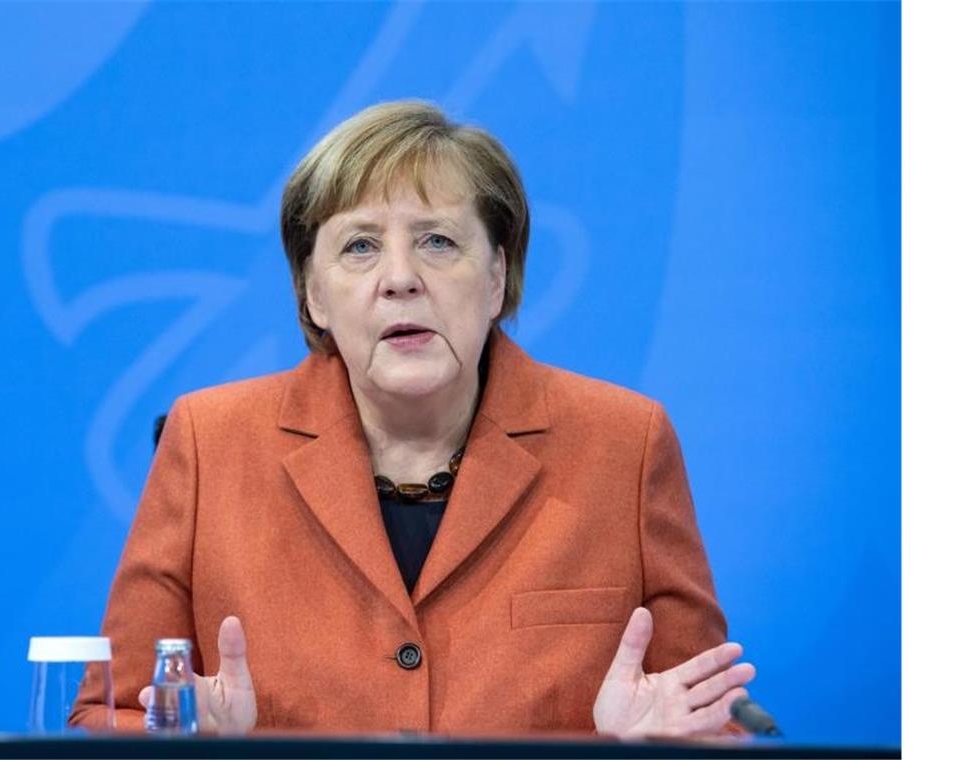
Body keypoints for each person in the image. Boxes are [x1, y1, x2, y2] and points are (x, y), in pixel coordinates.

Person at [71, 100, 755, 736]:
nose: (399, 277)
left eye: (437, 242)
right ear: (313, 293)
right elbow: (107, 719)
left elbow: (711, 719)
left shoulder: (623, 445)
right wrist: (186, 744)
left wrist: (648, 750)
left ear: (496, 278)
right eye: (360, 246)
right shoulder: (209, 443)